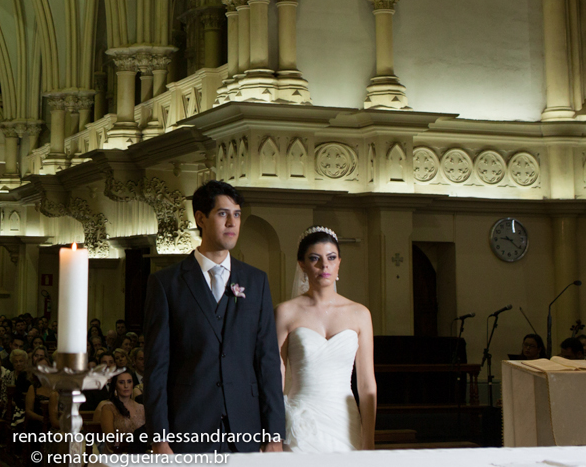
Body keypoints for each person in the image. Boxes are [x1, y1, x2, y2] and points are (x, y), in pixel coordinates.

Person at [142, 180, 284, 454]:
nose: (232, 222)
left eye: (237, 214)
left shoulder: (256, 282)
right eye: (222, 213)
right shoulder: (166, 283)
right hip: (188, 427)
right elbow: (156, 367)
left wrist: (274, 434)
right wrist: (159, 438)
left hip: (246, 428)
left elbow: (267, 361)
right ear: (200, 218)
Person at [274, 226, 376, 452]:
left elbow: (366, 383)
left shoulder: (360, 314)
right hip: (301, 423)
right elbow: (276, 377)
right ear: (302, 264)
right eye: (315, 259)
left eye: (331, 258)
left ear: (339, 262)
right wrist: (274, 434)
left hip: (344, 421)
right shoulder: (285, 312)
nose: (324, 265)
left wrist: (369, 438)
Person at [96, 369, 147, 454]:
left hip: (139, 454)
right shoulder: (108, 408)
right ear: (115, 385)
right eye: (122, 382)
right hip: (117, 454)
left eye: (129, 382)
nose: (126, 386)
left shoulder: (141, 407)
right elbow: (110, 439)